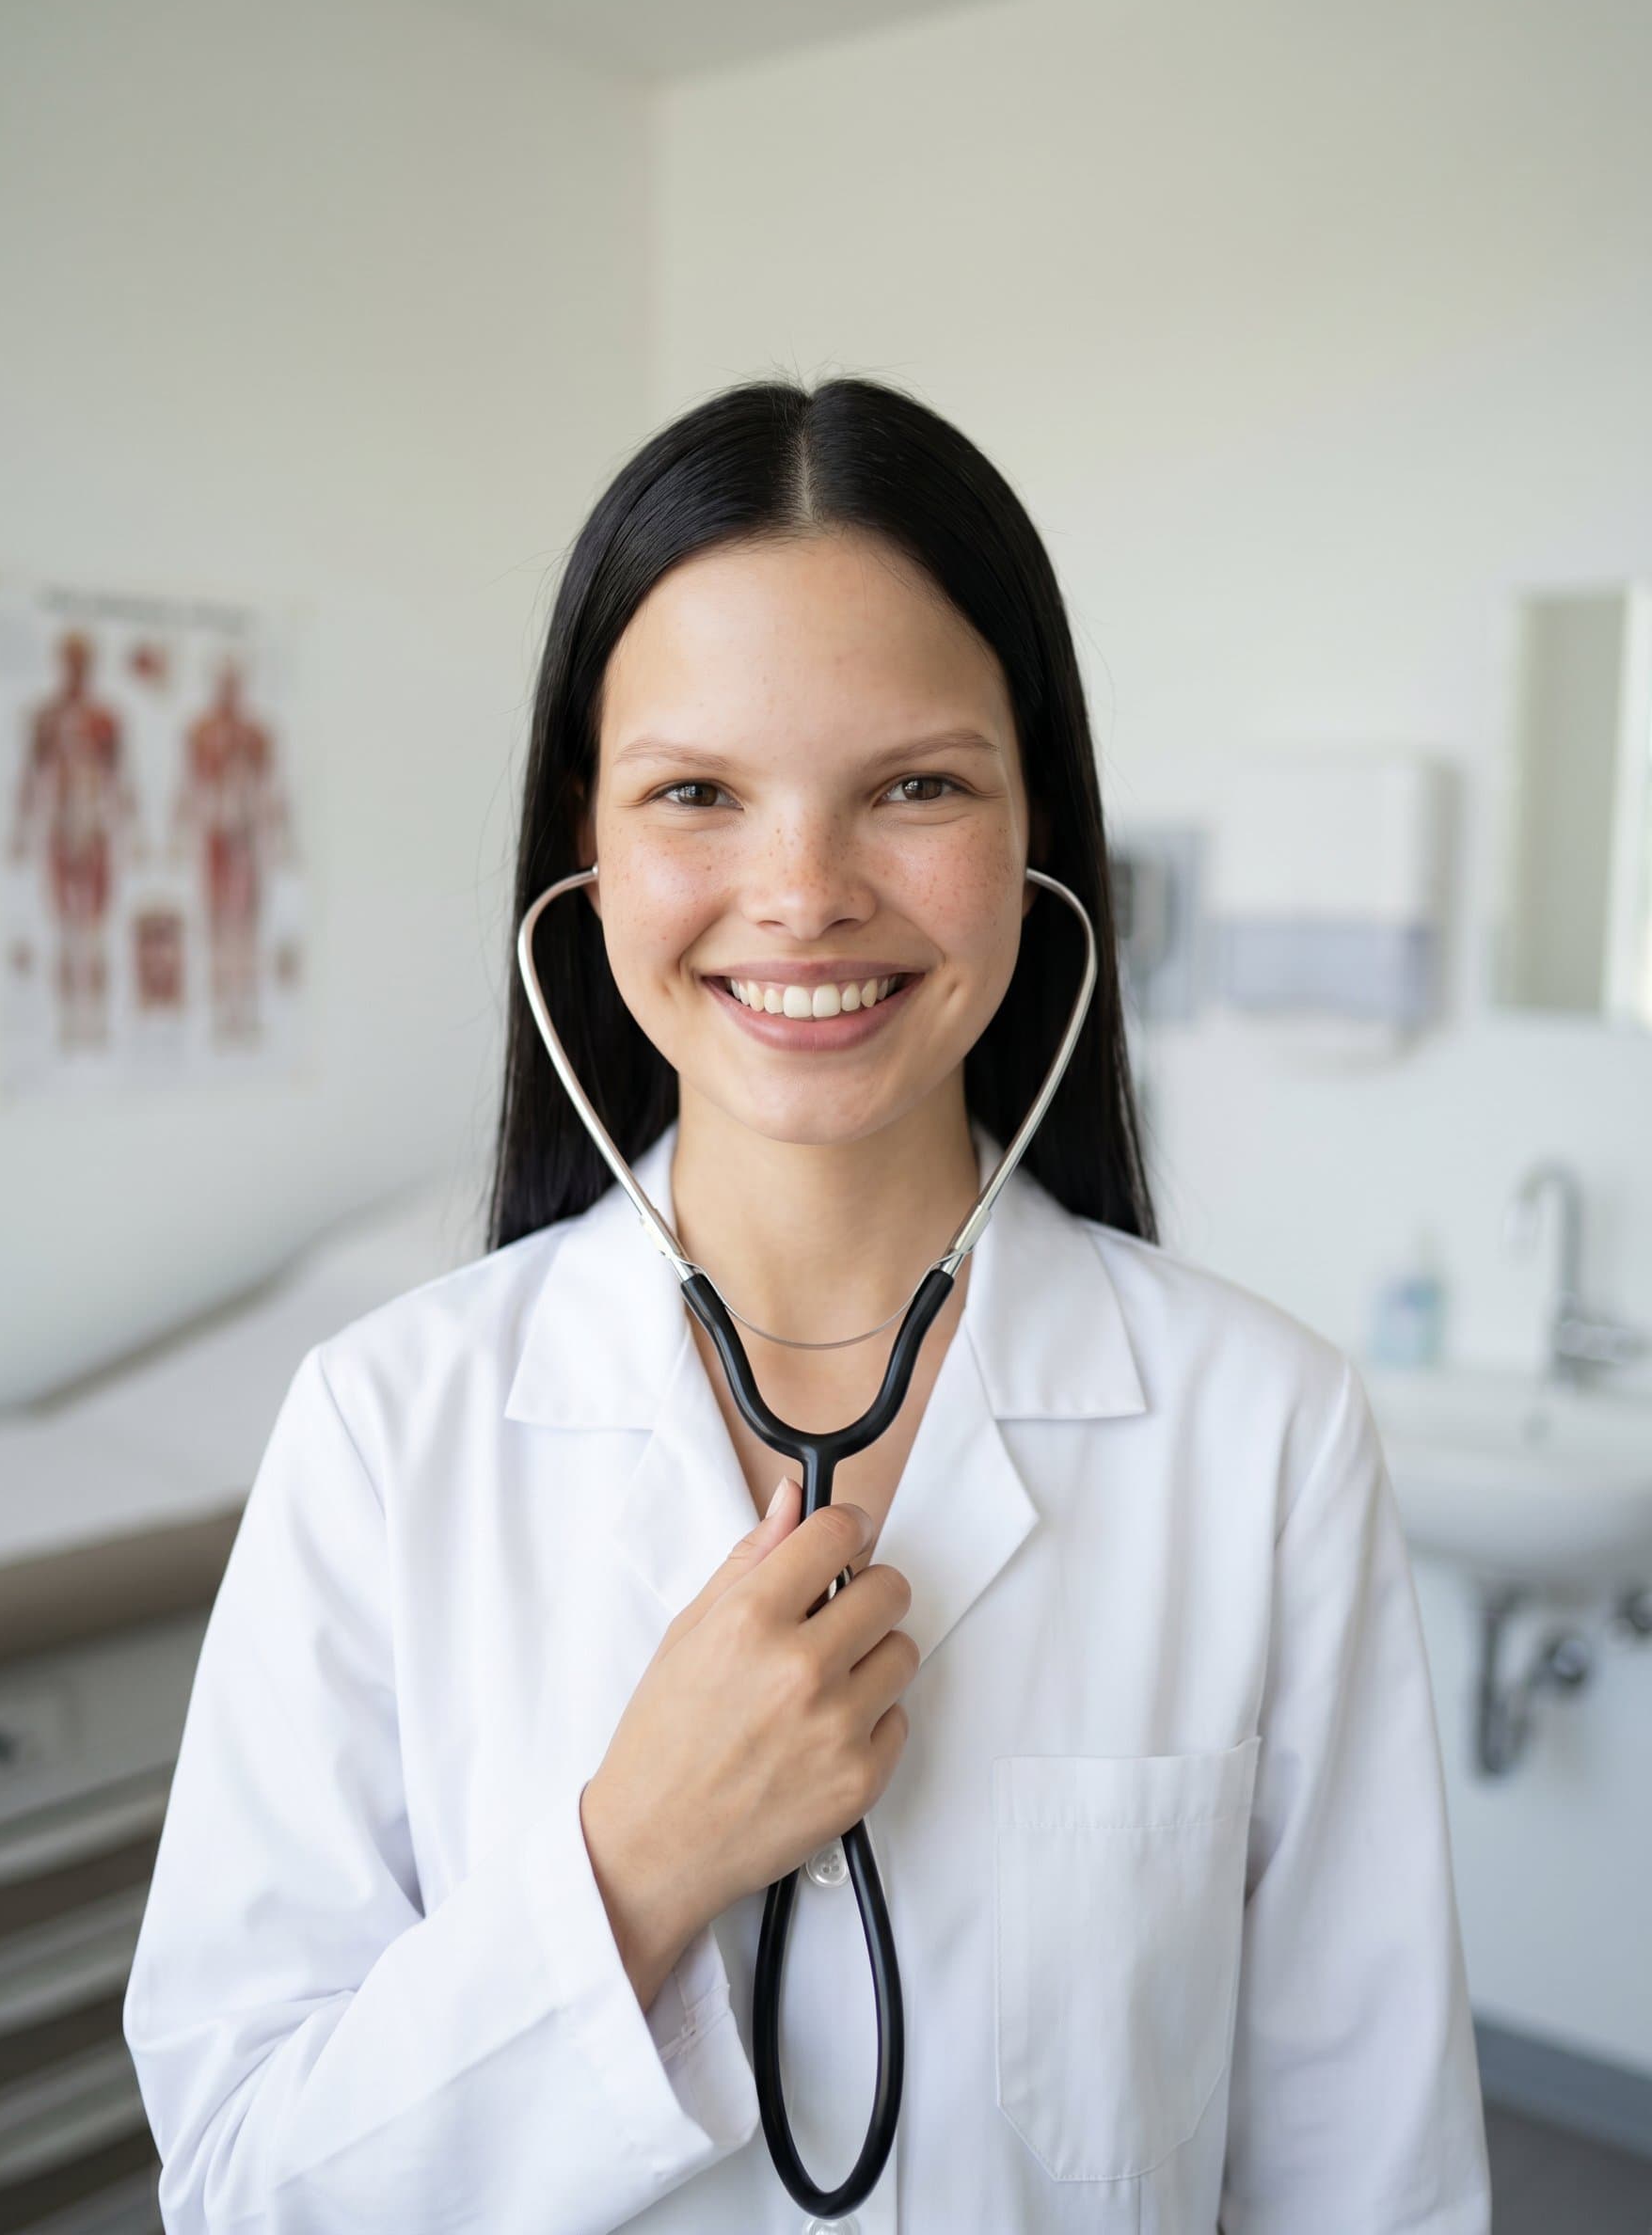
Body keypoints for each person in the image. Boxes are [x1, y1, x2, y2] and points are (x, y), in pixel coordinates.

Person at [123, 373, 1493, 2232]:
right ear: (582, 853)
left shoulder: (1260, 1433)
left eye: (912, 786)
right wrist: (634, 1865)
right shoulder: (386, 1432)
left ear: (1034, 835)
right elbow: (243, 2190)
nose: (800, 896)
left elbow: (1368, 2177)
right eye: (696, 792)